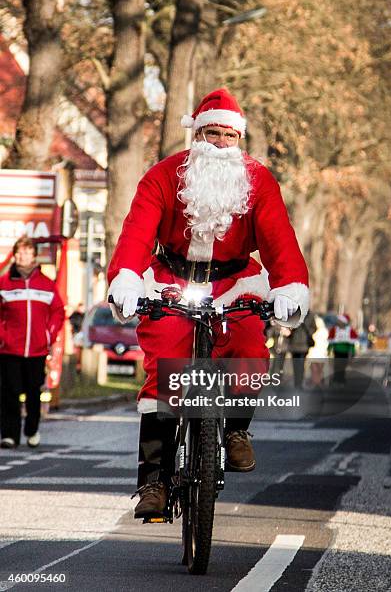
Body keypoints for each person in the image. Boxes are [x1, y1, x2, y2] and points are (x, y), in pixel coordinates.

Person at [108, 88, 309, 517]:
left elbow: (280, 243)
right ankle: (155, 482)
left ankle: (236, 430)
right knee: (165, 360)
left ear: (239, 140)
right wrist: (126, 278)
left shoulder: (259, 180)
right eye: (211, 133)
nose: (219, 143)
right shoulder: (162, 176)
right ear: (195, 134)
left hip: (235, 281)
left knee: (251, 345)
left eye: (228, 136)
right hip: (171, 279)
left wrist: (289, 288)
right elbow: (137, 233)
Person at [0, 236, 65, 448]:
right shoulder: (5, 283)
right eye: (19, 253)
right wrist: (3, 335)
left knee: (33, 393)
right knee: (9, 392)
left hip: (37, 349)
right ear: (15, 255)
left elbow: (57, 311)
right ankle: (9, 435)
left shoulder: (46, 284)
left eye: (27, 253)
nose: (23, 257)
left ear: (34, 256)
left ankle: (32, 429)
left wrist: (49, 334)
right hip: (10, 348)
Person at [287, 311, 317, 390]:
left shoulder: (310, 315)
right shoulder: (295, 313)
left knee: (301, 364)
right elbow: (288, 325)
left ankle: (299, 383)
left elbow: (314, 327)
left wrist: (308, 332)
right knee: (295, 365)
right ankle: (296, 382)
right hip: (294, 344)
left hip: (304, 345)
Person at [328, 313, 358, 385]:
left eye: (339, 321)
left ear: (344, 322)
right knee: (337, 365)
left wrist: (353, 351)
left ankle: (341, 379)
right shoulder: (335, 329)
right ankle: (336, 379)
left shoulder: (349, 330)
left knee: (343, 366)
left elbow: (352, 342)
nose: (338, 322)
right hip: (337, 350)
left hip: (345, 351)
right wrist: (329, 349)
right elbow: (331, 340)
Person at [306, 314, 329, 389]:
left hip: (314, 353)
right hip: (320, 353)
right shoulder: (325, 331)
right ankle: (318, 382)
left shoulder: (312, 331)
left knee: (314, 370)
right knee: (319, 370)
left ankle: (315, 382)